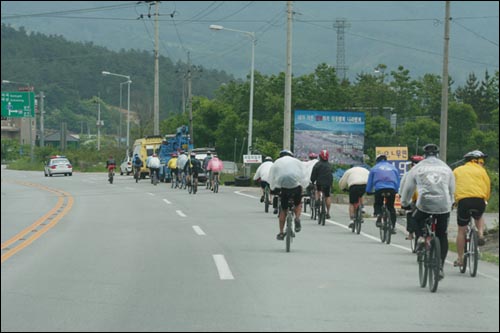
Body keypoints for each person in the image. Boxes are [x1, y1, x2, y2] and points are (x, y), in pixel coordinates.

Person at [400, 144, 455, 280]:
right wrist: (451, 202)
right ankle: (440, 267)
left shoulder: (417, 168)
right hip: (443, 205)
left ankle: (421, 237)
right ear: (437, 155)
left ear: (424, 156)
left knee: (414, 217)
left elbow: (408, 189)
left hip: (425, 203)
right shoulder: (446, 168)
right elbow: (452, 189)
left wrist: (405, 203)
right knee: (442, 235)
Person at [452, 150, 491, 267]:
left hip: (464, 201)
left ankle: (460, 259)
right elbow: (487, 187)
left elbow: (452, 187)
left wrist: (454, 201)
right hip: (479, 200)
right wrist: (485, 198)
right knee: (479, 216)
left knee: (461, 230)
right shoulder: (482, 171)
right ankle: (480, 234)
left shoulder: (457, 170)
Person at [268, 149, 309, 241]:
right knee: (298, 203)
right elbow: (304, 175)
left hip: (284, 187)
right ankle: (297, 218)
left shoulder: (277, 162)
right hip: (295, 186)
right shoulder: (297, 162)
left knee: (283, 209)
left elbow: (271, 177)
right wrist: (304, 186)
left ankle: (281, 232)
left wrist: (273, 188)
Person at [366, 154, 400, 234]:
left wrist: (368, 191)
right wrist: (397, 190)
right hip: (391, 189)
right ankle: (392, 226)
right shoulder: (393, 168)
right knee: (391, 207)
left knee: (378, 204)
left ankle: (378, 214)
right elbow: (397, 181)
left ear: (377, 160)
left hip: (379, 189)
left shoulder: (374, 168)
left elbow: (370, 182)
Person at [400, 155, 424, 240]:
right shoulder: (429, 172)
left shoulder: (409, 174)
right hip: (435, 199)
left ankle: (411, 233)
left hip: (416, 199)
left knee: (411, 213)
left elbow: (403, 187)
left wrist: (402, 199)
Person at [339, 165, 370, 229]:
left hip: (354, 186)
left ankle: (351, 220)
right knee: (361, 195)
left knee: (352, 203)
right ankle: (362, 207)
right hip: (365, 184)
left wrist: (343, 188)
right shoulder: (365, 170)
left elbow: (342, 181)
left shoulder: (349, 171)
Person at [310, 150, 333, 219]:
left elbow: (313, 175)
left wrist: (312, 181)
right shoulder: (330, 165)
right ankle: (328, 212)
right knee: (327, 196)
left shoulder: (317, 164)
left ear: (320, 156)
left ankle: (317, 201)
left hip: (319, 182)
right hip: (328, 183)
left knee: (318, 191)